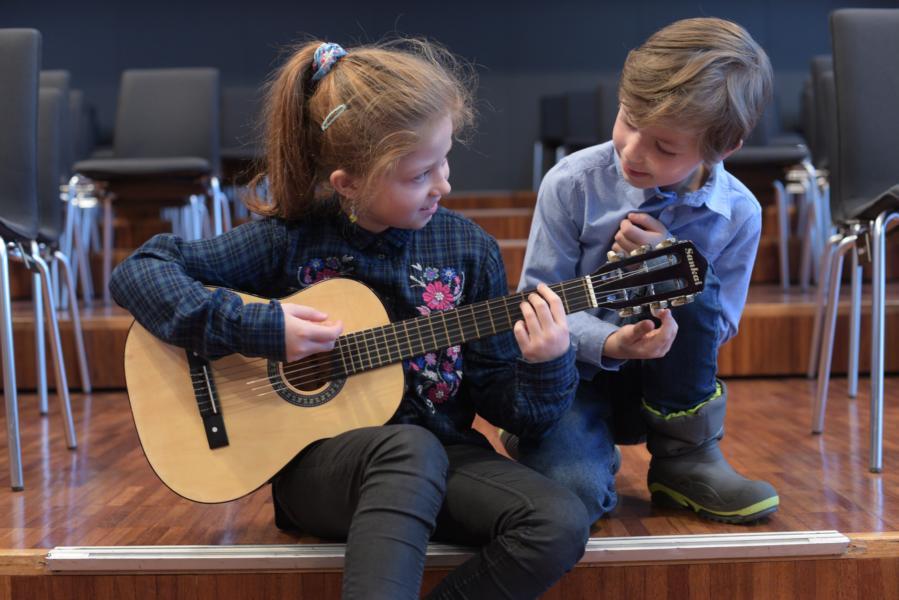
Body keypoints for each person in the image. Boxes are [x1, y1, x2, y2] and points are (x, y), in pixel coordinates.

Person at [110, 39, 590, 599]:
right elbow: (140, 270)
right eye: (419, 174)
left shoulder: (469, 251)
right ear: (348, 184)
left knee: (557, 520)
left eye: (445, 159)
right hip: (321, 473)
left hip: (444, 457)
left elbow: (514, 410)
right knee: (408, 449)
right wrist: (261, 330)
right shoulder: (289, 240)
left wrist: (547, 363)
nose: (444, 185)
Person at [510, 17, 779, 524]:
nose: (632, 151)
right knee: (575, 496)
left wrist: (674, 265)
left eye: (665, 147)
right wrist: (612, 343)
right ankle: (560, 441)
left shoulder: (739, 212)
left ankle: (684, 461)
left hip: (666, 387)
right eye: (628, 120)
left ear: (723, 149)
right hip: (573, 378)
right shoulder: (572, 184)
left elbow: (719, 328)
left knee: (694, 281)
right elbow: (537, 303)